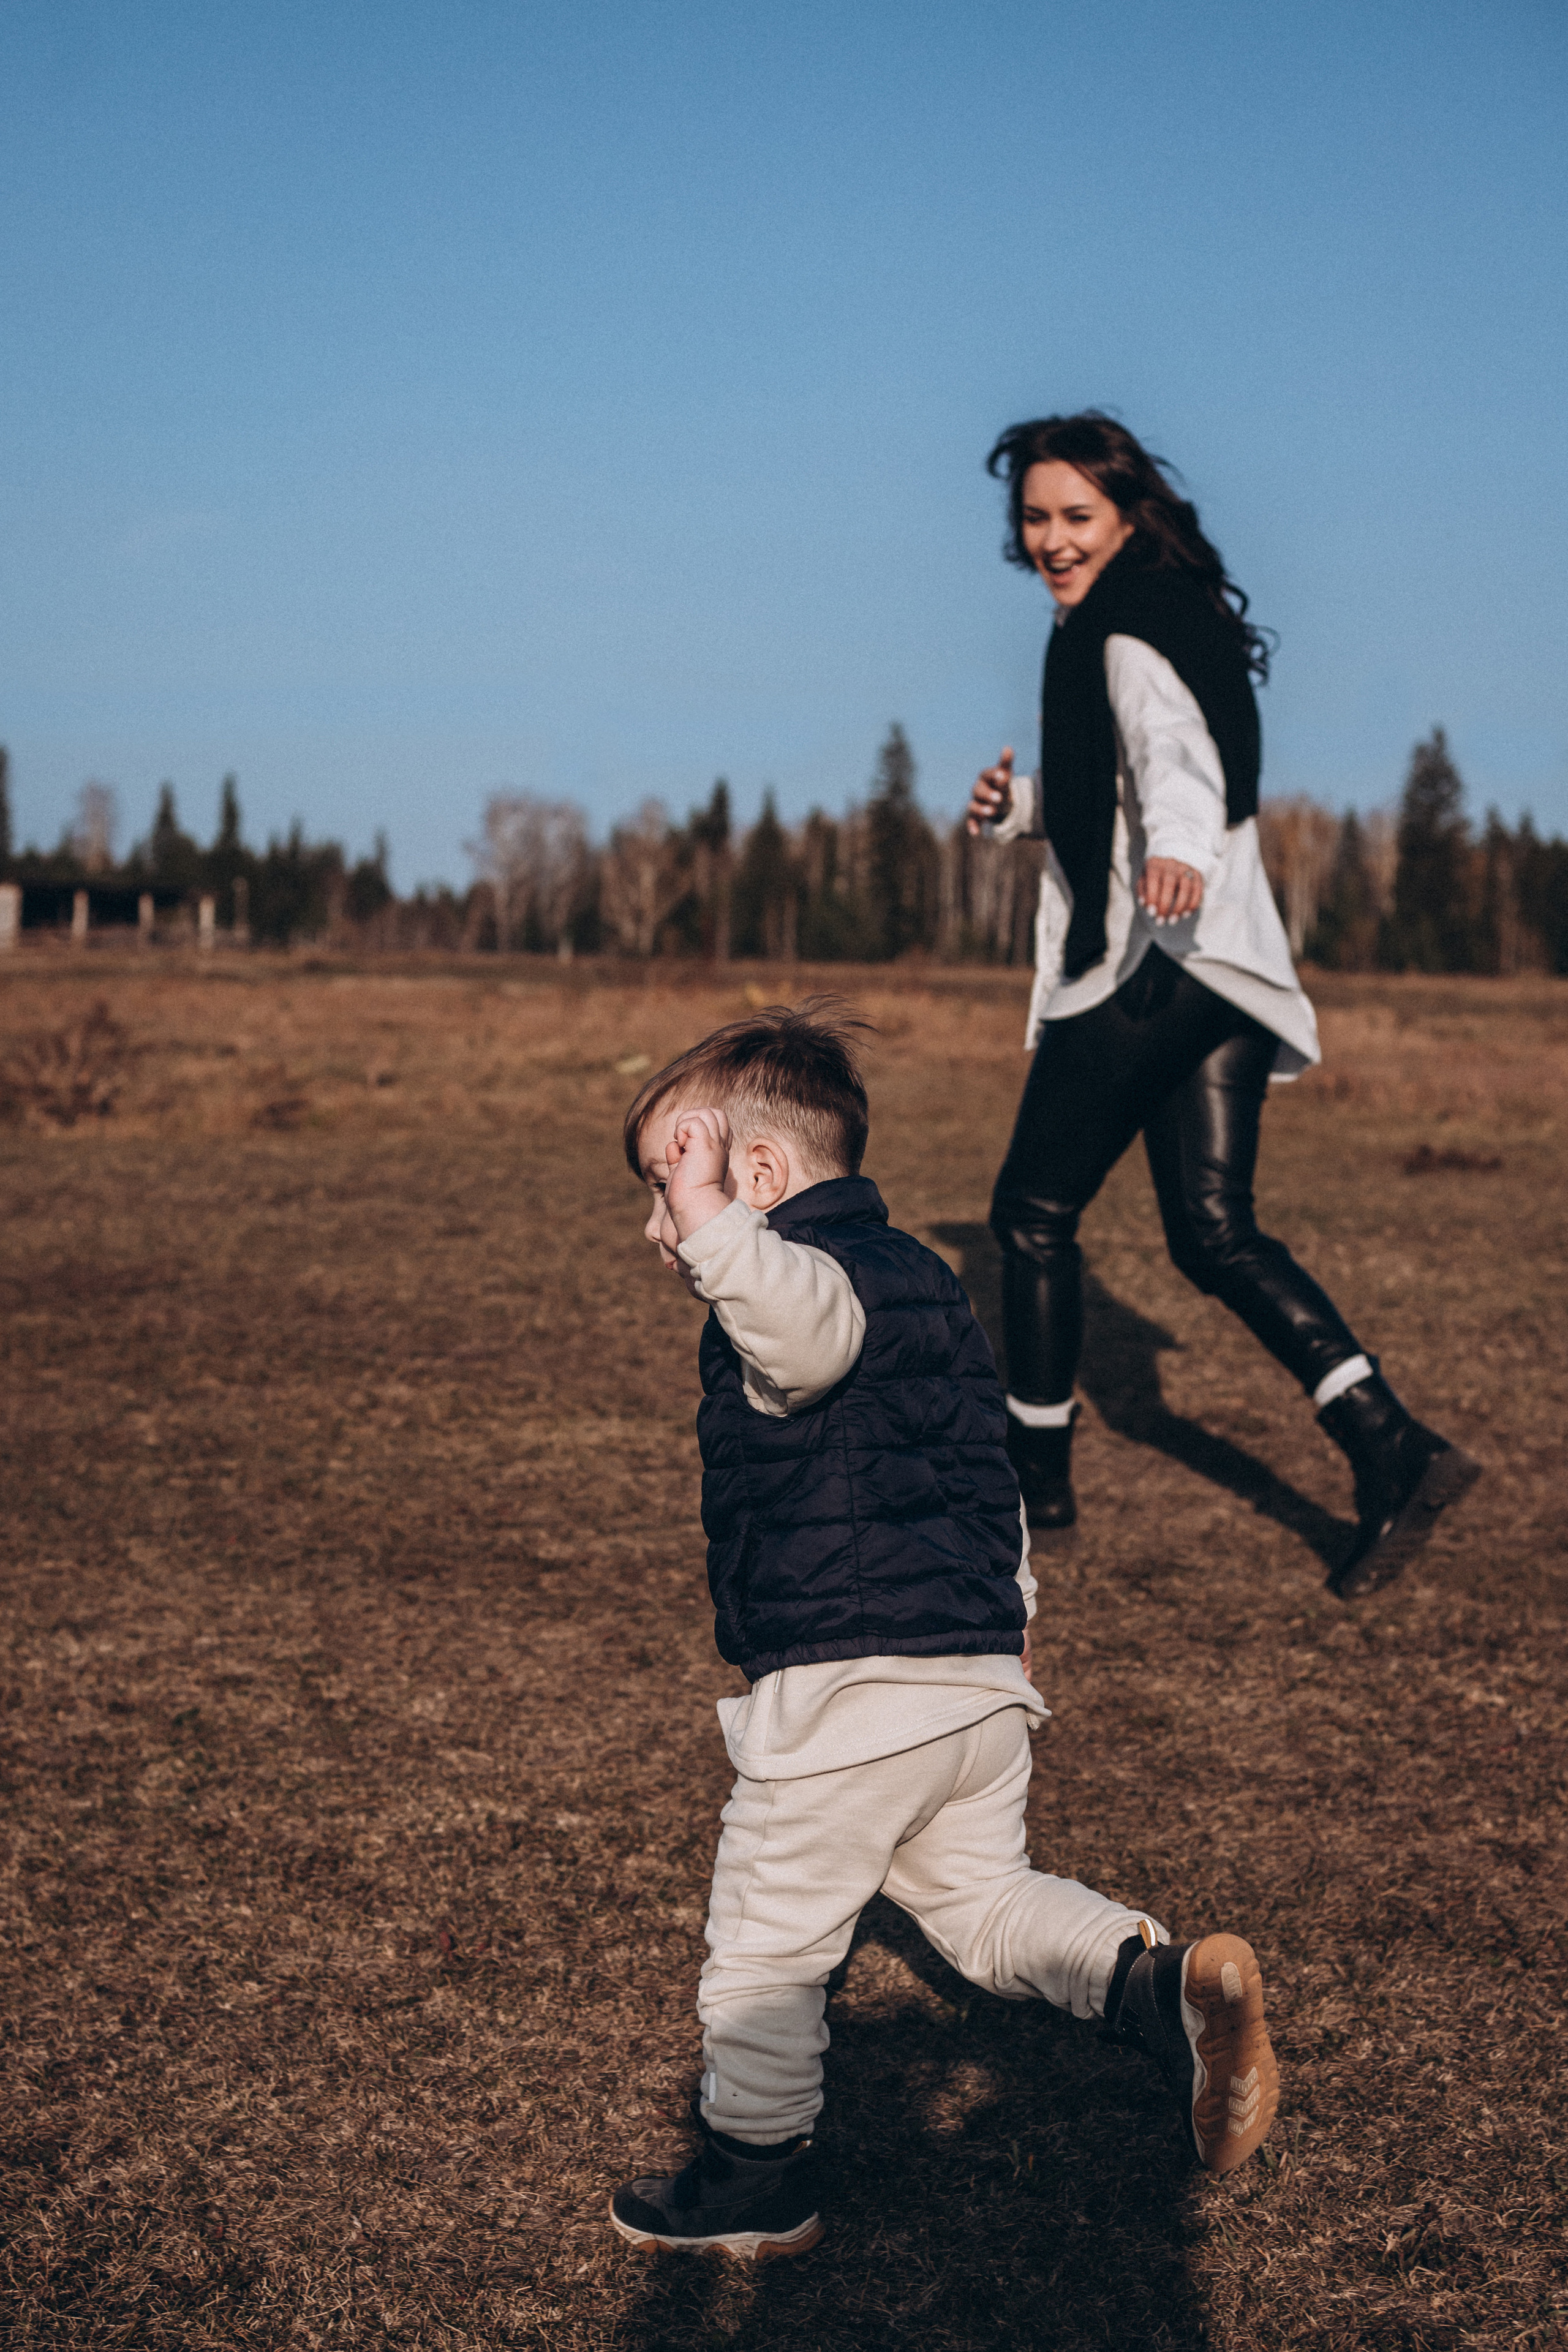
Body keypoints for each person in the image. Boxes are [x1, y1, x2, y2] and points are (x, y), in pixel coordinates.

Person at [608, 1002, 1278, 2261]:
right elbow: (987, 1476)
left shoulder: (789, 1290)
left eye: (667, 1186)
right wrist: (1009, 1625)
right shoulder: (926, 1278)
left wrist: (711, 1224)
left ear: (754, 1177)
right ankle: (1155, 1983)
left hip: (848, 1694)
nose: (658, 1225)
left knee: (765, 1942)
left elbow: (804, 1337)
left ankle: (753, 2177)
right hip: (972, 1680)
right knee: (977, 1901)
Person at [967, 412, 1478, 1599]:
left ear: (1128, 515)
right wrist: (1014, 810)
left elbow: (1173, 763)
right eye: (1033, 519)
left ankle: (1026, 1487)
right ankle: (1388, 1447)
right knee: (1211, 1231)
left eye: (1072, 517)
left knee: (1030, 1214)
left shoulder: (1124, 630)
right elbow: (1117, 790)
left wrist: (1184, 850)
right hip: (1227, 966)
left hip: (1161, 959)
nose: (1049, 539)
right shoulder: (1148, 611)